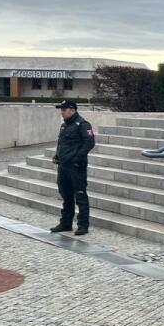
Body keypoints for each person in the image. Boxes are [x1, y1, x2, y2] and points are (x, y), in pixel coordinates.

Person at [49, 99, 96, 236]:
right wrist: (57, 155)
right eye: (61, 110)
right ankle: (66, 223)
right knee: (66, 195)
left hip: (76, 166)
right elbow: (62, 143)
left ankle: (83, 225)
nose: (62, 112)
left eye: (64, 109)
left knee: (80, 195)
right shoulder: (64, 126)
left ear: (72, 110)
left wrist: (77, 158)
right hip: (63, 166)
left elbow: (89, 143)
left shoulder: (82, 124)